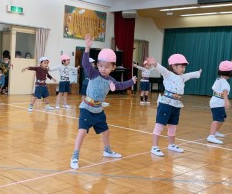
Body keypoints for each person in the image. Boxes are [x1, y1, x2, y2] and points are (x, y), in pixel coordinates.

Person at [70, 34, 136, 169]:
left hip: (98, 110)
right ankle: (75, 156)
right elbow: (85, 63)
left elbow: (120, 86)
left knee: (106, 132)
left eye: (107, 67)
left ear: (113, 67)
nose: (103, 69)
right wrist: (87, 48)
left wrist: (132, 81)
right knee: (82, 131)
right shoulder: (93, 74)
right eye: (101, 66)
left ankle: (107, 151)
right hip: (87, 108)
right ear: (98, 65)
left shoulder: (111, 80)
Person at [146, 54, 201, 157]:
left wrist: (198, 73)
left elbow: (190, 75)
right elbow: (162, 69)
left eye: (184, 67)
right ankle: (154, 146)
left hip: (176, 104)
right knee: (160, 125)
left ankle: (171, 144)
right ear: (174, 66)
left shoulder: (182, 77)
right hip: (166, 102)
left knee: (173, 125)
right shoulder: (168, 74)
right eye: (182, 66)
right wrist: (155, 64)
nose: (184, 69)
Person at [206, 61, 232, 144]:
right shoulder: (224, 82)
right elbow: (224, 91)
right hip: (218, 103)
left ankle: (215, 132)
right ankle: (211, 136)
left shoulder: (219, 79)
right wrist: (226, 101)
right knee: (217, 119)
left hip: (216, 102)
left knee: (222, 119)